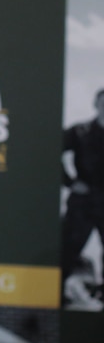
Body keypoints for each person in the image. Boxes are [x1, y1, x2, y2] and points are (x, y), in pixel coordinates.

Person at [61, 88, 104, 308]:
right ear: (96, 105)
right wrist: (68, 182)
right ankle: (58, 294)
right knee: (68, 249)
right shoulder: (80, 132)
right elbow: (48, 149)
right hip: (83, 202)